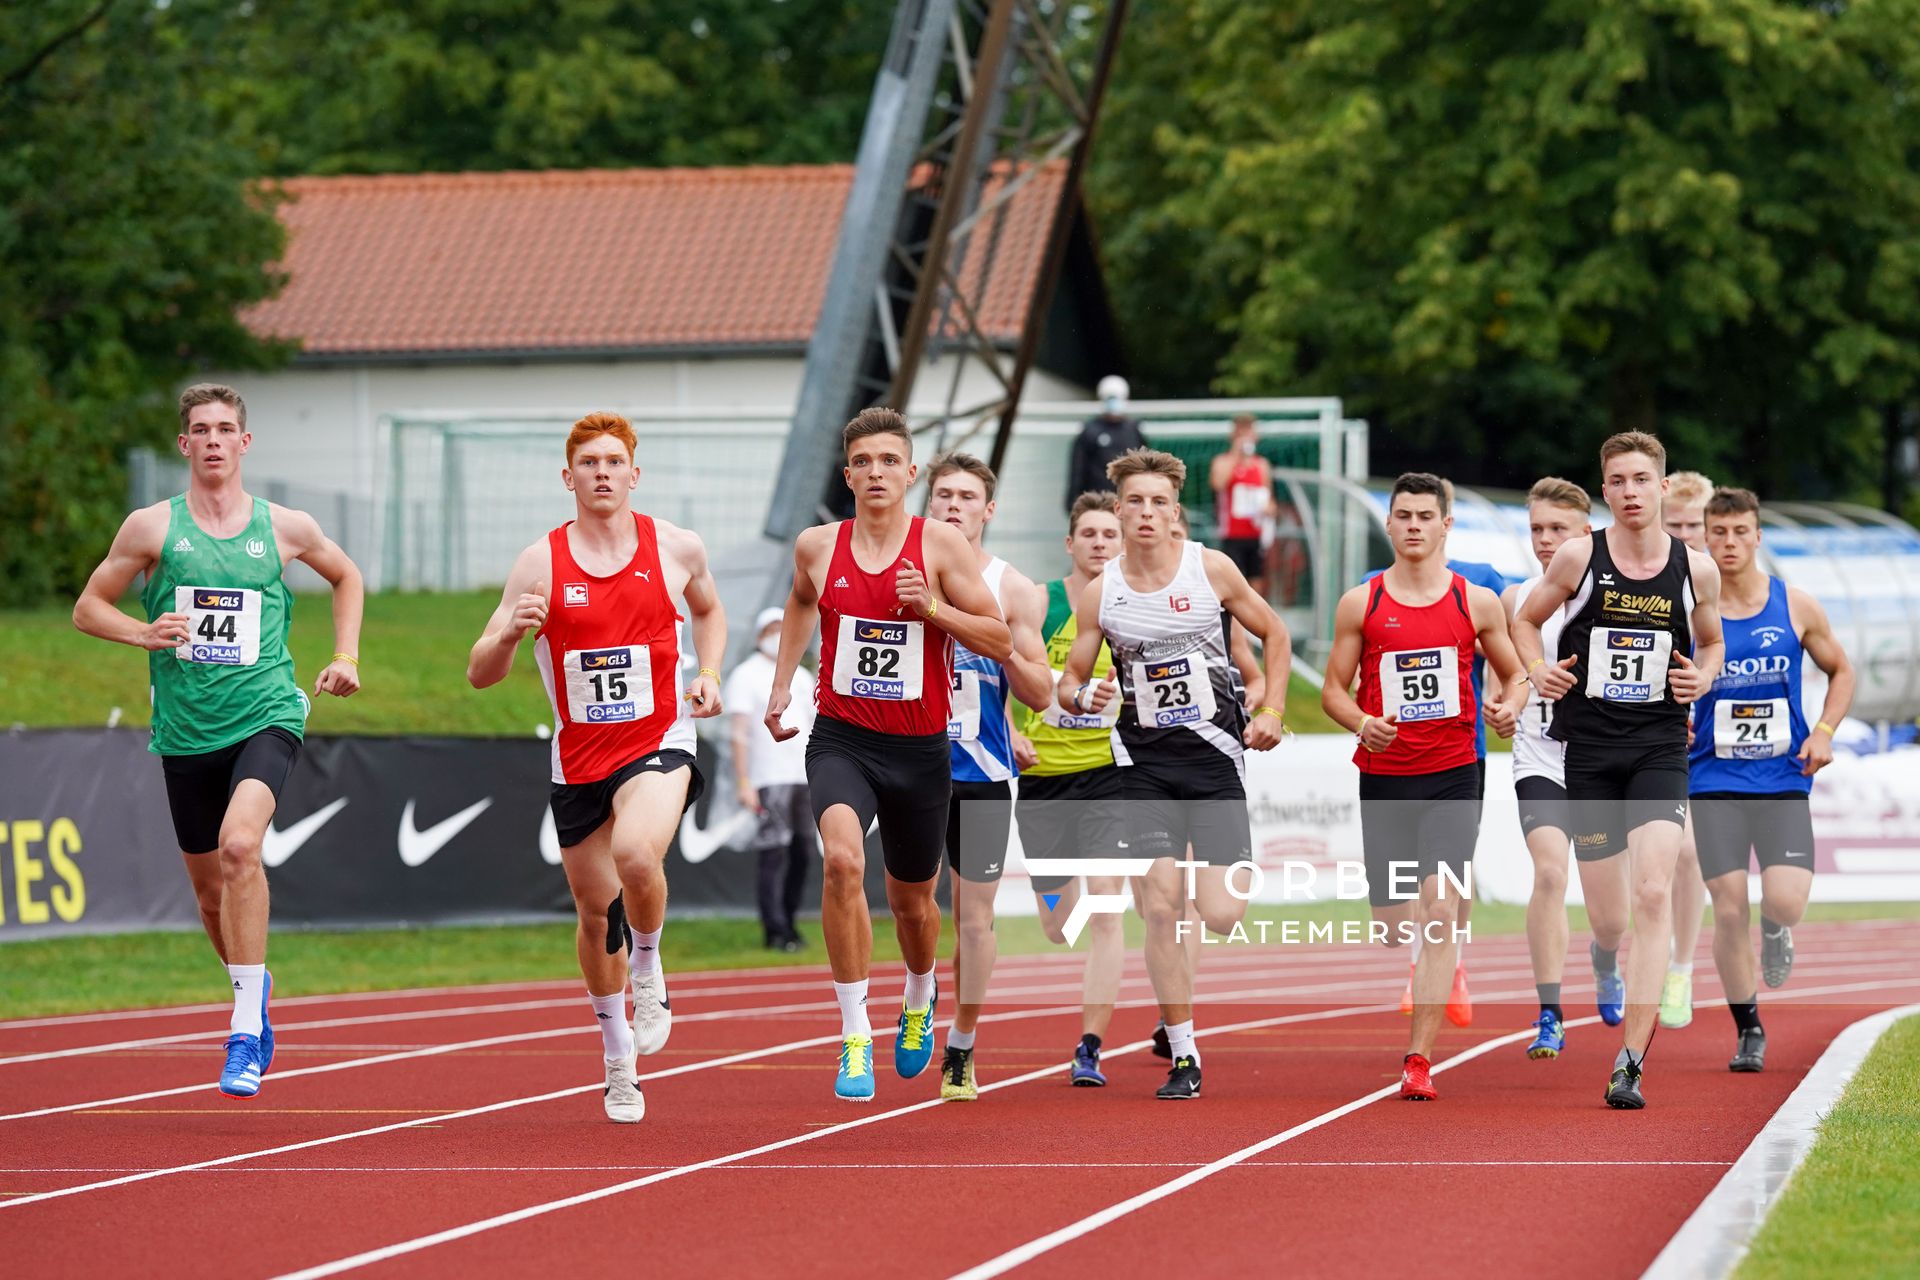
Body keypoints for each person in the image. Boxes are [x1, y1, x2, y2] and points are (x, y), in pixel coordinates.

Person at [73, 383, 365, 1100]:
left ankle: (241, 1031)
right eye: (199, 429)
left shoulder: (284, 527)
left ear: (244, 443)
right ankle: (252, 987)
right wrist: (144, 632)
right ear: (184, 445)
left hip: (266, 711)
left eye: (224, 428)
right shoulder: (151, 529)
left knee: (241, 847)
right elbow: (87, 608)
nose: (211, 439)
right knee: (211, 898)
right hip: (185, 730)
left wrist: (346, 655)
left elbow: (346, 574)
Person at [467, 412, 726, 1124]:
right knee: (591, 913)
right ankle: (618, 1058)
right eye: (589, 463)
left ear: (634, 474)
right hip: (580, 754)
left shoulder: (675, 547)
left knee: (638, 853)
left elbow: (709, 610)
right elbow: (480, 671)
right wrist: (511, 638)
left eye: (615, 462)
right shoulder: (539, 563)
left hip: (661, 736)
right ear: (568, 476)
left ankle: (648, 970)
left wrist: (710, 671)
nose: (603, 473)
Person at [763, 408, 1011, 1102]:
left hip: (920, 750)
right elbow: (800, 602)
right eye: (863, 462)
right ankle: (852, 1036)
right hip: (843, 738)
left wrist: (932, 608)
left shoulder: (940, 547)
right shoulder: (817, 545)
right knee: (842, 861)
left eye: (889, 461)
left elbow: (996, 639)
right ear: (848, 475)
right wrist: (783, 685)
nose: (876, 472)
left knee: (913, 904)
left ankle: (920, 991)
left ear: (910, 473)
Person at [1059, 447, 1292, 1100]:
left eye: (1159, 502)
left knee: (1216, 914)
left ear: (1174, 513)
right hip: (1144, 766)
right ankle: (1184, 1053)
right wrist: (1085, 698)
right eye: (1134, 500)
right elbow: (1073, 681)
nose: (1146, 513)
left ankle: (1225, 874)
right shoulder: (1104, 594)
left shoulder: (1210, 570)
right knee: (1160, 909)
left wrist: (1270, 707)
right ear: (1119, 508)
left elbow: (1275, 634)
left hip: (1216, 760)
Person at [1514, 431, 1724, 1110]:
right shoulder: (1580, 556)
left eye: (1642, 479)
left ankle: (1630, 1060)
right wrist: (1535, 667)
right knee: (1608, 916)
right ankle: (1605, 956)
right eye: (1618, 481)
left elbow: (1714, 639)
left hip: (1661, 747)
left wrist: (1706, 677)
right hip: (1593, 755)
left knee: (1655, 892)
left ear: (1662, 487)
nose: (1631, 492)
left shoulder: (1696, 567)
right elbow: (1526, 621)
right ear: (1604, 490)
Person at [1322, 473, 1525, 1101]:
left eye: (1424, 516)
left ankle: (1418, 1060)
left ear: (1445, 526)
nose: (1413, 525)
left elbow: (1516, 675)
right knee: (1390, 924)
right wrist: (1361, 722)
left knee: (1440, 908)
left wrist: (1508, 707)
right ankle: (1429, 960)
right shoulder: (1362, 603)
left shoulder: (1475, 602)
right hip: (1385, 776)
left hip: (1454, 774)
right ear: (1388, 524)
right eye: (1402, 515)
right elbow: (1333, 688)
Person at [1691, 488, 1853, 1072]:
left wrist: (1827, 731)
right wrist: (1673, 724)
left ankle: (1777, 930)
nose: (1730, 543)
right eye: (1719, 533)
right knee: (1728, 907)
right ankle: (1749, 1027)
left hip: (1783, 777)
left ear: (1757, 536)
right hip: (1711, 780)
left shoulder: (1795, 606)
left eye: (1740, 532)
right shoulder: (1690, 613)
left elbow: (1842, 669)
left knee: (1783, 901)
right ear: (1704, 539)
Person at [923, 453, 1053, 1101]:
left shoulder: (1013, 587)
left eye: (966, 497)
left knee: (973, 920)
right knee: (914, 908)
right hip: (911, 770)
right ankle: (920, 992)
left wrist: (990, 638)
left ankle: (962, 1047)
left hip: (981, 774)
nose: (953, 506)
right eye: (943, 494)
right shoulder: (902, 574)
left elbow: (1038, 687)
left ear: (987, 510)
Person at [1011, 491, 1129, 1086]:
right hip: (1044, 779)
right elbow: (995, 669)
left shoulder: (1136, 607)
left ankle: (1089, 1047)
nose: (1101, 544)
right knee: (1061, 926)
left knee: (1108, 900)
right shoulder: (1039, 601)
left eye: (1111, 535)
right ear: (1070, 543)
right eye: (1090, 534)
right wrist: (1009, 733)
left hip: (1110, 773)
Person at [1501, 477, 1594, 1059]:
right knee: (1552, 875)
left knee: (1616, 909)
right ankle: (1550, 1011)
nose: (1544, 540)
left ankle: (1606, 957)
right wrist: (1509, 706)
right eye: (1536, 529)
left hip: (1607, 763)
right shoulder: (1517, 600)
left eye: (1557, 530)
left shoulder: (1619, 593)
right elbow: (1510, 672)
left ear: (1586, 534)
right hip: (1539, 759)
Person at [1657, 471, 1715, 1030]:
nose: (1683, 534)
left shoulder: (1717, 581)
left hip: (1708, 748)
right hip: (1652, 739)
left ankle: (1680, 968)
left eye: (1693, 525)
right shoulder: (1647, 573)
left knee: (1692, 855)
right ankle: (1625, 953)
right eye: (1672, 524)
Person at [724, 607, 817, 951]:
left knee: (803, 853)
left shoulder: (803, 678)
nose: (778, 635)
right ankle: (774, 929)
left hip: (803, 777)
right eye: (772, 629)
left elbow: (814, 724)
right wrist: (744, 780)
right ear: (760, 635)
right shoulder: (746, 675)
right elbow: (739, 733)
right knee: (773, 852)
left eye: (784, 628)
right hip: (768, 776)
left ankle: (790, 922)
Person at [1209, 414, 1274, 595]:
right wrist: (1236, 454)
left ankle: (1254, 622)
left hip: (1256, 533)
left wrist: (1269, 508)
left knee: (1257, 581)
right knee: (1232, 580)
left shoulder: (1261, 464)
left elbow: (1269, 498)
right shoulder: (1223, 461)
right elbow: (1218, 484)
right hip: (1232, 534)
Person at [1065, 375, 1148, 510]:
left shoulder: (1133, 430)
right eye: (1110, 398)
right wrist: (1072, 503)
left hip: (1127, 504)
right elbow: (1077, 471)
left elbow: (1145, 468)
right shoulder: (1089, 431)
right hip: (1096, 504)